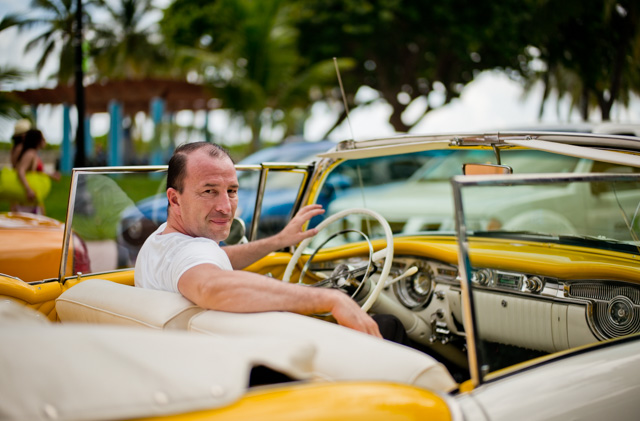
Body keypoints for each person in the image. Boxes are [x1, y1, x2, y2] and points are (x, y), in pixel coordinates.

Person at [135, 141, 383, 338]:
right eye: (209, 191)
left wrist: (278, 240)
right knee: (389, 325)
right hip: (240, 371)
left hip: (200, 360)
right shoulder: (192, 253)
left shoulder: (160, 241)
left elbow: (216, 259)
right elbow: (210, 286)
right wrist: (330, 299)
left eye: (231, 191)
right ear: (175, 199)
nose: (225, 207)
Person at [11, 128, 60, 214]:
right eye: (43, 138)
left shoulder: (32, 153)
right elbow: (21, 171)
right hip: (26, 202)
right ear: (37, 140)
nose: (45, 140)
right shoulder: (30, 154)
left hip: (31, 201)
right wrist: (28, 189)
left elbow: (34, 172)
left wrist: (51, 175)